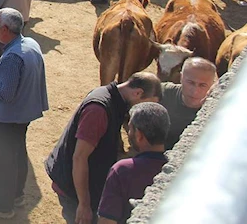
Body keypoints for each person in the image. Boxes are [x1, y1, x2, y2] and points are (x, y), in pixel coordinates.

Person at [45, 72, 163, 224]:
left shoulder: (116, 100)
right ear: (138, 93)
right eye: (145, 104)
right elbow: (80, 157)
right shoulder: (98, 110)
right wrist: (84, 205)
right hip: (73, 190)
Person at [0, 8, 49, 220]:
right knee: (17, 154)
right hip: (24, 114)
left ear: (5, 29)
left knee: (1, 161)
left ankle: (2, 207)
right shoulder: (31, 45)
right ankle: (15, 195)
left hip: (7, 117)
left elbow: (5, 94)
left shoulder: (11, 58)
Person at [97, 102, 170, 224]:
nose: (128, 133)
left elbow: (107, 220)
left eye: (130, 128)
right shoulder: (176, 169)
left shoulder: (122, 170)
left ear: (139, 135)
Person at [159, 57, 217, 150]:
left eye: (202, 85)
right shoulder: (162, 93)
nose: (195, 91)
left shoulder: (218, 110)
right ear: (181, 78)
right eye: (190, 83)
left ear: (213, 84)